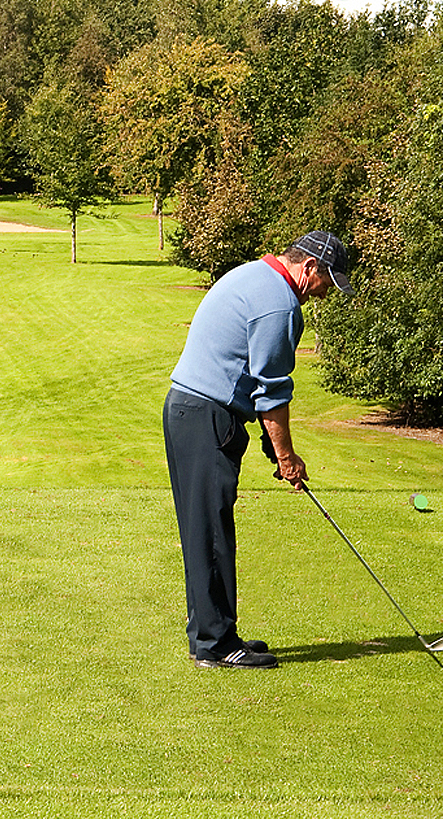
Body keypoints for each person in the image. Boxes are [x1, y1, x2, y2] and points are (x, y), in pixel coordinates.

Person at [163, 230, 350, 670]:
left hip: (189, 410)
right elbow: (271, 393)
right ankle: (216, 644)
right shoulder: (279, 303)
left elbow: (248, 374)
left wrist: (270, 443)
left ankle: (209, 633)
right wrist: (286, 457)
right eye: (328, 282)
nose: (325, 294)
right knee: (211, 532)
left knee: (202, 528)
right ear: (308, 269)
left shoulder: (253, 276)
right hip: (208, 416)